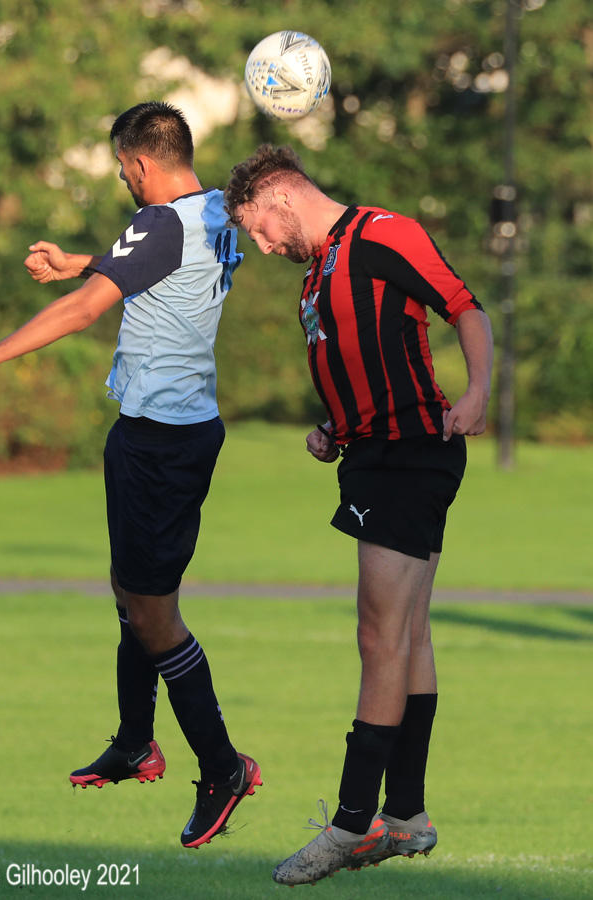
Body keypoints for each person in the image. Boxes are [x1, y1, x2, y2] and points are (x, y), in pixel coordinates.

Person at [0, 101, 261, 849]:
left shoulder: (158, 219)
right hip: (178, 433)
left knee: (153, 613)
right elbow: (159, 270)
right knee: (131, 593)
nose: (120, 178)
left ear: (141, 162)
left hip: (158, 444)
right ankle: (135, 740)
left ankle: (222, 767)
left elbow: (84, 312)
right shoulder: (211, 211)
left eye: (120, 168)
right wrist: (87, 260)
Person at [224, 144, 493, 885]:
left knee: (378, 636)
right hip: (372, 453)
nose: (260, 244)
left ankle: (349, 824)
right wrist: (333, 429)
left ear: (280, 196)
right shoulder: (317, 271)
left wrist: (476, 394)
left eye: (256, 227)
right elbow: (362, 361)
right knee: (406, 633)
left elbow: (465, 307)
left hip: (410, 453)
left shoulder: (383, 233)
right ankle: (405, 816)